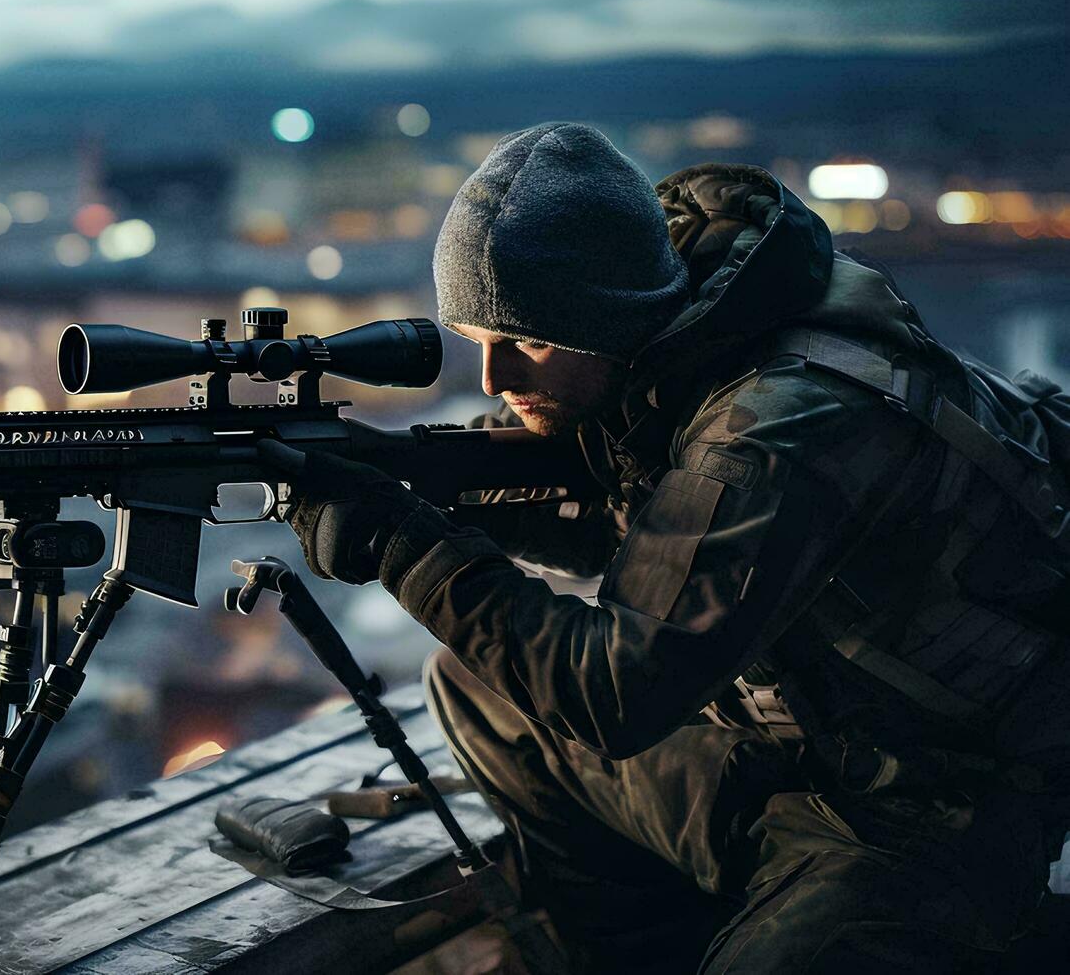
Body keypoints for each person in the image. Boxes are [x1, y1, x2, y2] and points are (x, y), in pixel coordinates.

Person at [261, 122, 1070, 973]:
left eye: (526, 341)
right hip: (802, 757)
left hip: (930, 808)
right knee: (481, 691)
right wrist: (415, 477)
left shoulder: (771, 429)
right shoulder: (681, 354)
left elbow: (618, 695)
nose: (497, 380)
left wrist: (404, 544)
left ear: (609, 320)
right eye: (476, 343)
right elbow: (631, 522)